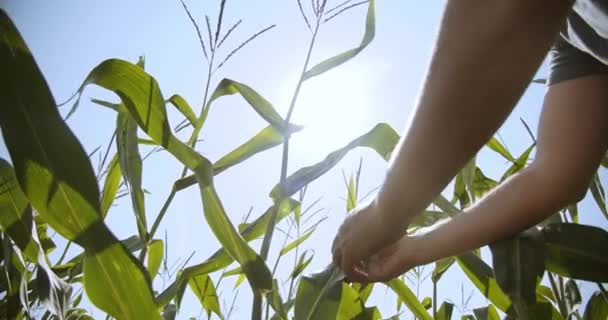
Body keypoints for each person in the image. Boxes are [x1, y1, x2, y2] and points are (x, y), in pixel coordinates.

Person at [331, 0, 608, 283]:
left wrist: (390, 208)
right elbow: (556, 174)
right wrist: (415, 247)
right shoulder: (577, 33)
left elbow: (505, 12)